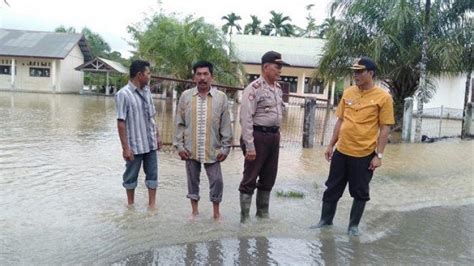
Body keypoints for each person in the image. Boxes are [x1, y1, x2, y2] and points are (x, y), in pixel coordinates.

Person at [311, 56, 394, 236]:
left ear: (370, 73)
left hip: (364, 154)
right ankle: (325, 221)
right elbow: (340, 120)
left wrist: (378, 156)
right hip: (342, 151)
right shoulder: (348, 93)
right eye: (354, 71)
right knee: (332, 188)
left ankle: (353, 226)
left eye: (359, 71)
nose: (355, 75)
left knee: (360, 192)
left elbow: (385, 128)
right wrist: (330, 145)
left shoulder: (383, 97)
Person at [174, 60, 232, 221]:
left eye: (206, 74)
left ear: (212, 77)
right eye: (199, 74)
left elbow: (226, 125)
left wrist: (226, 148)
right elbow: (179, 123)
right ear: (194, 77)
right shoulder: (185, 96)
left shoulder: (221, 98)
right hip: (190, 148)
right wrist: (179, 146)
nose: (202, 78)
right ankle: (194, 212)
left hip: (213, 149)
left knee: (217, 181)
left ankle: (216, 213)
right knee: (192, 181)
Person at [238, 51, 289, 222]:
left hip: (273, 137)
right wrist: (250, 146)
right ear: (265, 67)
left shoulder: (278, 89)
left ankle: (262, 215)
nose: (280, 70)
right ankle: (244, 218)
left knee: (269, 177)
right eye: (277, 66)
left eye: (281, 67)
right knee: (250, 177)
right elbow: (245, 119)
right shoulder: (253, 89)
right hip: (258, 137)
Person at [115, 60, 162, 209]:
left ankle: (152, 206)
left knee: (153, 175)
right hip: (134, 145)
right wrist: (125, 148)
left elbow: (151, 116)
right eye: (148, 73)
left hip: (150, 143)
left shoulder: (147, 91)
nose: (150, 76)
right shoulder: (123, 94)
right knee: (131, 176)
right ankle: (130, 206)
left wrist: (158, 136)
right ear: (140, 75)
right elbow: (121, 122)